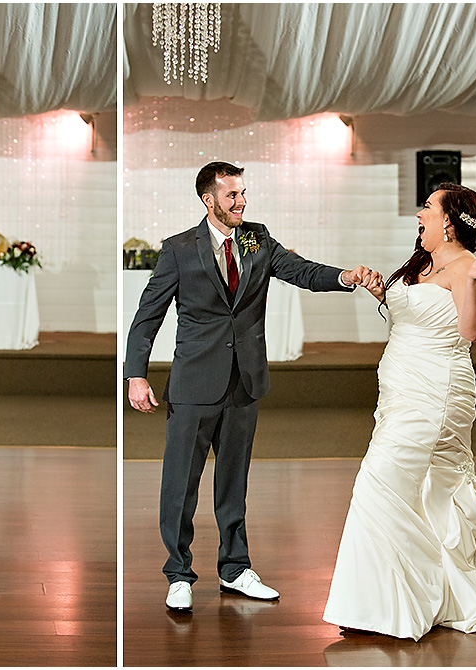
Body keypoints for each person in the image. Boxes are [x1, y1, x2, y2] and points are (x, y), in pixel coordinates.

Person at [125, 161, 377, 611]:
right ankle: (178, 573)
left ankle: (235, 568)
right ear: (210, 200)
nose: (241, 202)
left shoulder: (256, 236)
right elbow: (148, 316)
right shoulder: (179, 249)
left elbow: (300, 271)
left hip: (245, 382)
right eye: (232, 196)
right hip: (193, 384)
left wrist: (345, 277)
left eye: (243, 194)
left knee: (233, 482)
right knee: (180, 484)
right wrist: (136, 373)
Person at [323, 183, 476, 640]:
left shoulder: (466, 268)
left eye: (428, 208)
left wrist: (473, 280)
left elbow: (469, 331)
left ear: (450, 221)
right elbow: (413, 315)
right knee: (425, 493)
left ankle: (382, 606)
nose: (420, 214)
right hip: (399, 392)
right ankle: (419, 596)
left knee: (379, 482)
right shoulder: (420, 263)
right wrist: (382, 292)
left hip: (436, 394)